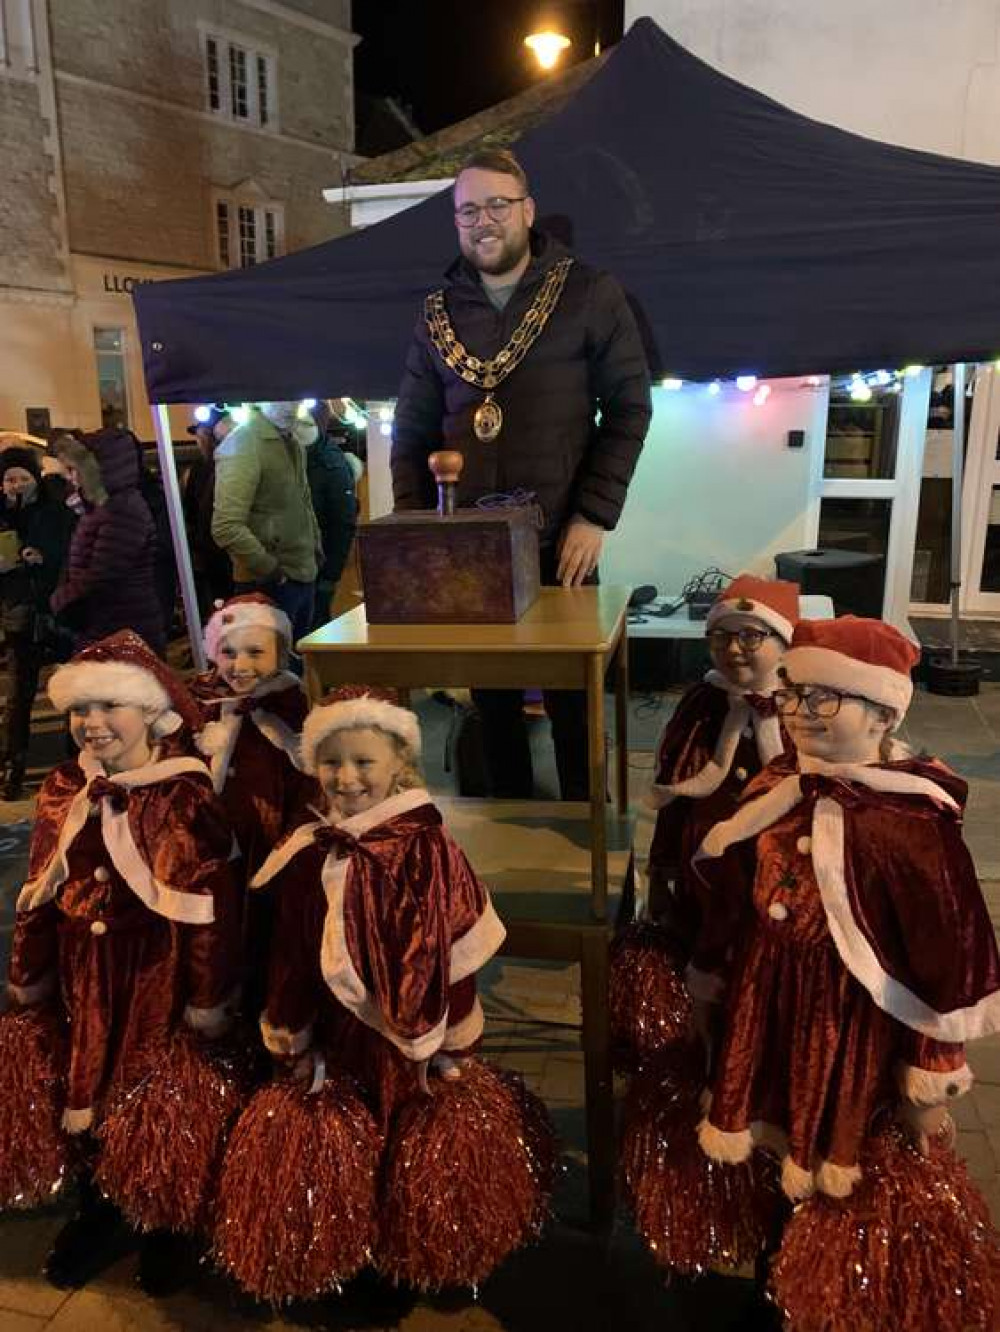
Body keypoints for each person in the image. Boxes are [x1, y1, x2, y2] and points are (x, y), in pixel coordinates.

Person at [211, 687, 554, 1301]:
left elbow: (459, 948)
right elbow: (291, 949)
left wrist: (457, 1036)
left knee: (413, 1136)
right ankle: (364, 1247)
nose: (345, 778)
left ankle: (422, 1239)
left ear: (399, 761)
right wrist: (290, 1029)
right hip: (339, 1036)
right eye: (330, 762)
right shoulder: (305, 849)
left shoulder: (430, 848)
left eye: (364, 762)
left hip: (412, 1039)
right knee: (350, 1135)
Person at [690, 617, 1000, 1200]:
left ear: (884, 715)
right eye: (793, 692)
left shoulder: (912, 824)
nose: (800, 709)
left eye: (824, 696)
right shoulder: (775, 787)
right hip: (766, 998)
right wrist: (711, 975)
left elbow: (948, 955)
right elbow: (733, 893)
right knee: (762, 1138)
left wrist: (934, 1066)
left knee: (837, 1153)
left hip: (850, 1016)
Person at [391, 147, 651, 800]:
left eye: (497, 205)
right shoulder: (436, 312)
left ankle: (585, 849)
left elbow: (628, 409)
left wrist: (594, 516)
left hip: (563, 538)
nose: (483, 220)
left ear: (527, 210)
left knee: (573, 703)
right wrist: (422, 539)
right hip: (471, 551)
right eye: (467, 210)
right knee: (493, 704)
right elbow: (412, 433)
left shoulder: (591, 293)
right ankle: (503, 853)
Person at [4, 630, 240, 1291]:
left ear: (152, 713)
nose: (92, 723)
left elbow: (211, 898)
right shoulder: (63, 788)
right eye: (82, 709)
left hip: (156, 975)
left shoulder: (183, 794)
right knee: (86, 1086)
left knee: (156, 1094)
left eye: (112, 706)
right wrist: (29, 974)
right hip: (83, 975)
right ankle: (100, 1209)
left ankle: (167, 1217)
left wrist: (208, 995)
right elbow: (38, 889)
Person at [642, 575, 799, 939]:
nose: (732, 649)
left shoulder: (802, 711)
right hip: (704, 859)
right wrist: (661, 867)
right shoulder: (702, 703)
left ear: (785, 644)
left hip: (776, 865)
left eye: (750, 636)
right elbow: (675, 791)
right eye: (721, 636)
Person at [191, 592, 319, 1013]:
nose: (239, 665)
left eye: (255, 652)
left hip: (270, 847)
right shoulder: (207, 705)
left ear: (281, 653)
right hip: (214, 845)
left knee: (267, 924)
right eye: (227, 652)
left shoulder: (291, 708)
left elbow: (306, 780)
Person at [211, 402, 321, 648]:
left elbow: (303, 504)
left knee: (296, 670)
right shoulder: (244, 443)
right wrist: (270, 569)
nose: (294, 404)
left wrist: (315, 549)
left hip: (300, 574)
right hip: (270, 581)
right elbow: (226, 526)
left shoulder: (291, 441)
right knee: (270, 674)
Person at [0, 447, 75, 799]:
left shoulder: (54, 512)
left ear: (35, 479)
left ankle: (74, 758)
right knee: (18, 694)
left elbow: (69, 553)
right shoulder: (2, 515)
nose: (16, 485)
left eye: (23, 478)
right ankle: (13, 766)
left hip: (51, 610)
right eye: (9, 479)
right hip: (16, 613)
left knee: (68, 686)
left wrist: (43, 557)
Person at [50, 430, 165, 655]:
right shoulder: (102, 507)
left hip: (124, 623)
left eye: (76, 470)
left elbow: (105, 572)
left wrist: (62, 598)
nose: (71, 478)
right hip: (107, 621)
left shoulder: (123, 509)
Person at [305, 400, 359, 630]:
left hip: (318, 565)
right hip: (305, 565)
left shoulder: (329, 462)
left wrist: (330, 574)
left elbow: (343, 522)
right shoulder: (310, 457)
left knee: (314, 628)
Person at [182, 405, 234, 615]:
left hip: (229, 558)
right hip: (208, 557)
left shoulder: (233, 465)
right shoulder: (199, 469)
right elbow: (191, 511)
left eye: (201, 434)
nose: (198, 440)